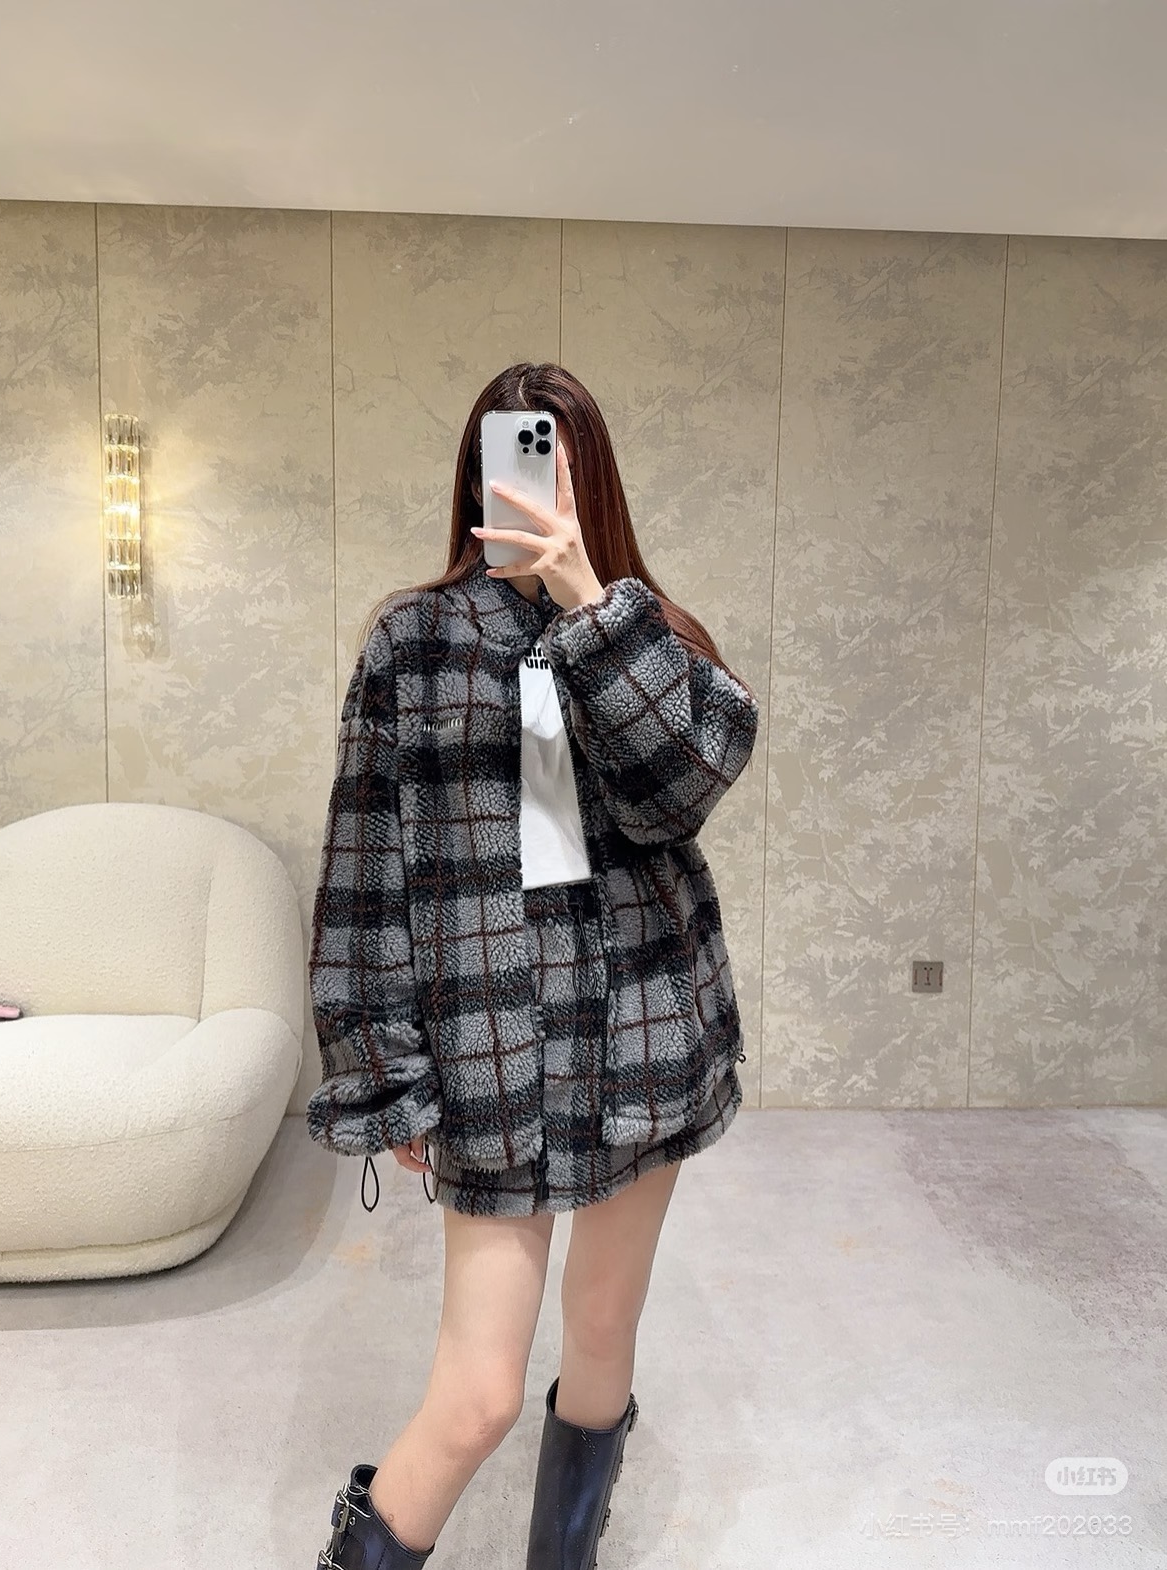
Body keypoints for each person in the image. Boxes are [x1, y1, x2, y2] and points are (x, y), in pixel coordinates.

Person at [306, 361, 759, 1570]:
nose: (526, 485)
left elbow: (683, 791)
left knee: (602, 1333)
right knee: (477, 1394)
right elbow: (364, 868)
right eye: (507, 459)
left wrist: (588, 602)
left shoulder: (646, 631)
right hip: (489, 1042)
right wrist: (384, 1072)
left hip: (642, 1032)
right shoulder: (410, 641)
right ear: (474, 480)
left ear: (587, 483)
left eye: (552, 463)